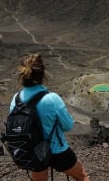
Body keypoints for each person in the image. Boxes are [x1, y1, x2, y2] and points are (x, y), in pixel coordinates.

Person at [10, 53, 89, 181]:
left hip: (32, 153)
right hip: (56, 151)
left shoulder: (16, 99)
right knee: (82, 175)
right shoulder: (51, 98)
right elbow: (68, 125)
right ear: (43, 74)